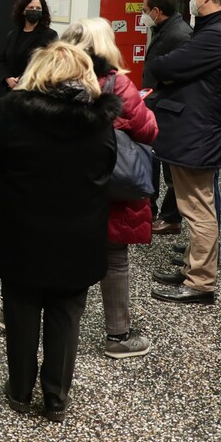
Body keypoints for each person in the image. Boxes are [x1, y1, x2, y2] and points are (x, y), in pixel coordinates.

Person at [0, 42, 118, 422]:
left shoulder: (15, 116)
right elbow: (107, 167)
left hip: (21, 230)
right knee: (66, 314)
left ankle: (20, 391)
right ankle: (56, 397)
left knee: (21, 310)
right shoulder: (99, 120)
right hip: (79, 233)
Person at [60, 18, 158, 358]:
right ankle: (117, 337)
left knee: (52, 249)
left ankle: (14, 316)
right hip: (108, 186)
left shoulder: (50, 79)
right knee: (114, 258)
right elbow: (148, 131)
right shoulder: (117, 85)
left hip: (60, 184)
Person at [149, 0, 221, 305]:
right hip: (196, 128)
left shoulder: (218, 34)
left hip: (197, 131)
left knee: (197, 207)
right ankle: (193, 267)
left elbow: (165, 67)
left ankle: (201, 282)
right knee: (191, 203)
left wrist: (169, 72)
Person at [140, 0, 193, 235]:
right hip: (155, 105)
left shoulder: (181, 35)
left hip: (169, 109)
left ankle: (171, 217)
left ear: (156, 11)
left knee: (171, 167)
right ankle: (150, 211)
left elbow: (181, 75)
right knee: (153, 159)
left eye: (144, 10)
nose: (143, 15)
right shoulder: (162, 29)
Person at [0, 0, 58, 95]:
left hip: (33, 92)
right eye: (31, 7)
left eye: (38, 8)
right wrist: (8, 78)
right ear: (23, 11)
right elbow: (2, 59)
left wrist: (21, 80)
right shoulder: (13, 34)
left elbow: (47, 64)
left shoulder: (50, 35)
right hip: (11, 90)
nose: (34, 10)